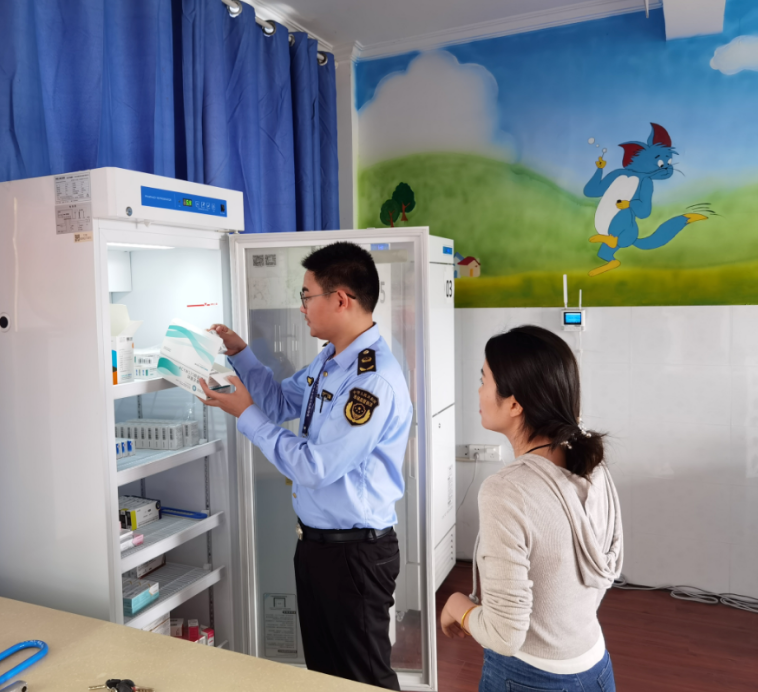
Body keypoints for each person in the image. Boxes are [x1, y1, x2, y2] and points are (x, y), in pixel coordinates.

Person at [199, 241, 413, 690]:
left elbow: (315, 467)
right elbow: (279, 402)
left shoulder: (371, 380)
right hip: (317, 547)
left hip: (355, 554)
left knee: (364, 678)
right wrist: (240, 353)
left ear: (341, 299)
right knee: (326, 675)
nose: (301, 307)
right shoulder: (330, 360)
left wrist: (246, 416)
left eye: (306, 295)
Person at [439, 325, 623, 692]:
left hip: (529, 678)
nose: (479, 390)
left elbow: (504, 635)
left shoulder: (507, 491)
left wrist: (456, 605)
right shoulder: (592, 465)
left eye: (484, 380)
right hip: (596, 668)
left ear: (514, 403)